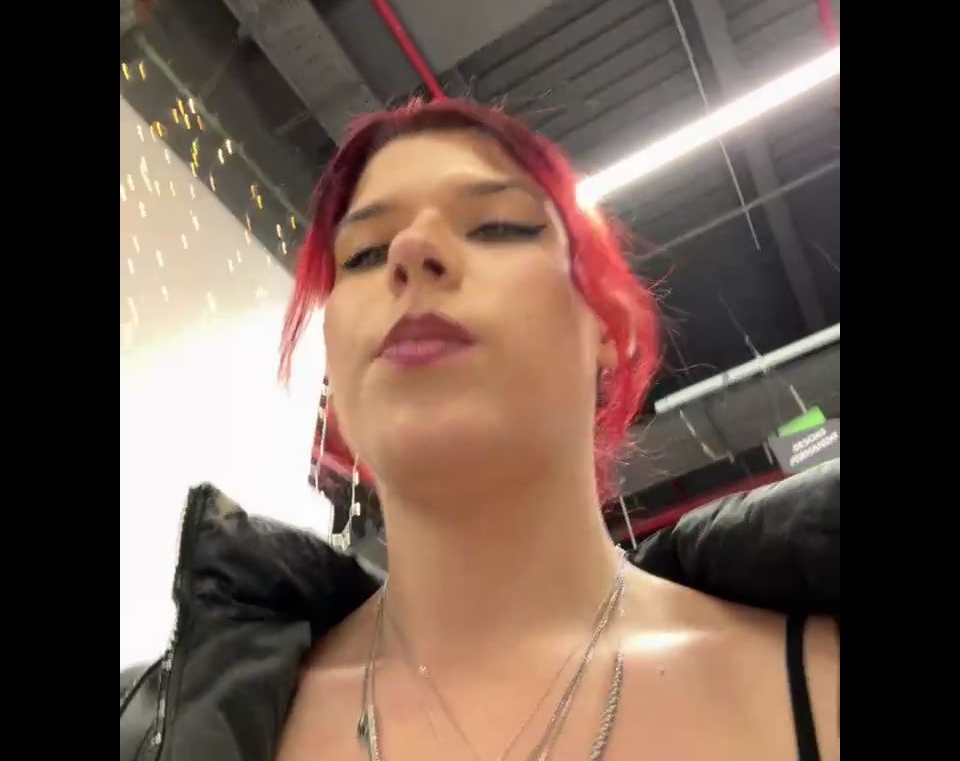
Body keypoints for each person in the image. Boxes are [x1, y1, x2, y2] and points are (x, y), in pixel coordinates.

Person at [120, 100, 839, 760]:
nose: (410, 250)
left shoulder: (819, 674)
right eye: (363, 253)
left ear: (605, 327)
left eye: (498, 226)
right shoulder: (146, 732)